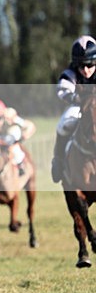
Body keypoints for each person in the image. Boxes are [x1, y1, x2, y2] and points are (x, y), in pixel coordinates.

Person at [51, 35, 96, 183]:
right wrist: (74, 98)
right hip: (79, 107)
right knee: (63, 125)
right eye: (81, 66)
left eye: (90, 65)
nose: (85, 70)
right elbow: (63, 90)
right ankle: (58, 161)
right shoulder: (70, 73)